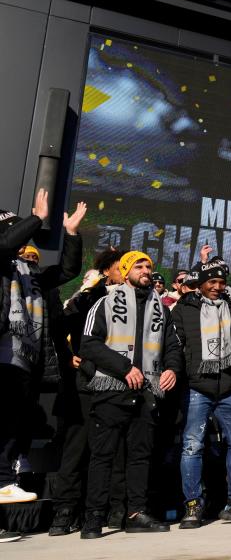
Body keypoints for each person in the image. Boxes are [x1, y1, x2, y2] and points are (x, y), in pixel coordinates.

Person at [78, 251, 183, 539]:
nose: (146, 269)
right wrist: (124, 368)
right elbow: (87, 344)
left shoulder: (161, 308)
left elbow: (172, 345)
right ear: (125, 272)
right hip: (111, 390)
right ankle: (94, 519)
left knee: (140, 456)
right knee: (103, 457)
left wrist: (172, 368)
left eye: (148, 265)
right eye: (139, 265)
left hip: (147, 391)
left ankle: (136, 513)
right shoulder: (105, 301)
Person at [0, 191, 84, 514]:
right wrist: (36, 219)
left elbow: (67, 271)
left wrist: (72, 234)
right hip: (4, 356)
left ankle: (5, 487)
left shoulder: (30, 273)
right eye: (17, 232)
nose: (24, 244)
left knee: (16, 427)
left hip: (27, 362)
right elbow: (6, 242)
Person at [171, 257, 231, 527]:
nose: (218, 286)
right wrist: (191, 373)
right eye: (212, 281)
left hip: (230, 388)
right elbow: (177, 345)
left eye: (222, 282)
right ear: (201, 283)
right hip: (197, 389)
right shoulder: (183, 308)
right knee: (192, 447)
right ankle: (193, 505)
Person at [48, 247, 128, 536]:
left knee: (114, 451)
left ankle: (112, 509)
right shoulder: (88, 297)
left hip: (118, 386)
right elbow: (59, 325)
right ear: (107, 270)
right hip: (85, 384)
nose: (125, 273)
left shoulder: (136, 301)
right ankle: (65, 510)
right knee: (76, 448)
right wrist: (67, 354)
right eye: (120, 267)